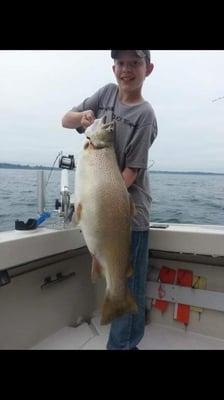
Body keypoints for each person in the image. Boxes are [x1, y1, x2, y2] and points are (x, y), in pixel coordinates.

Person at [62, 50, 158, 350]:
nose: (126, 69)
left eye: (135, 63)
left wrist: (106, 207)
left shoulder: (145, 116)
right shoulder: (105, 94)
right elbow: (66, 120)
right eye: (121, 63)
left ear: (148, 68)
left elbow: (131, 172)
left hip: (130, 214)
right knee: (110, 270)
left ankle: (123, 346)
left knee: (127, 286)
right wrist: (83, 117)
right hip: (100, 210)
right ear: (113, 67)